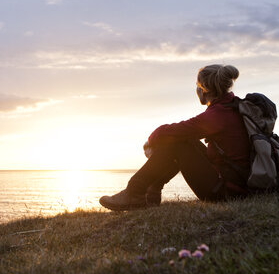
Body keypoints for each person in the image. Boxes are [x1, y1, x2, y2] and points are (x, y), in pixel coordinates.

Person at [99, 64, 251, 211]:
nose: (196, 89)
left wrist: (150, 142)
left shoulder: (217, 116)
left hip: (226, 193)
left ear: (205, 89)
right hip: (240, 187)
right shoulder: (234, 107)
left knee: (177, 141)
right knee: (182, 139)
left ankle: (135, 191)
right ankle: (148, 195)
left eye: (198, 85)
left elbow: (169, 132)